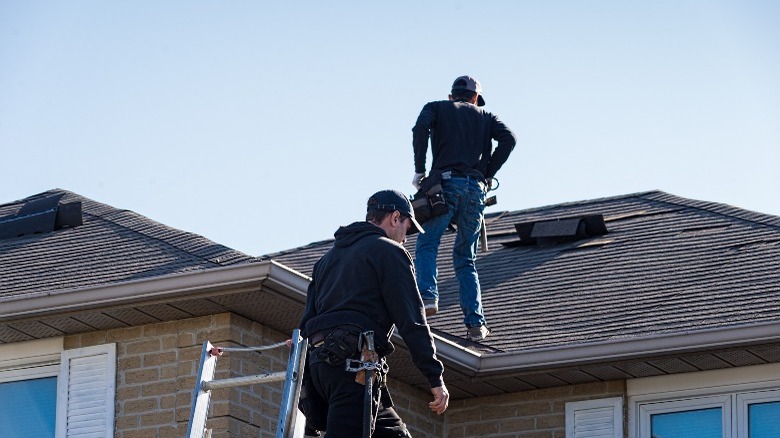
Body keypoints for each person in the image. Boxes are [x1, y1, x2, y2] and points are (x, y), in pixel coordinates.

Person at [298, 189, 449, 438]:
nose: (406, 239)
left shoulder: (326, 260)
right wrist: (435, 377)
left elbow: (306, 324)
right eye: (407, 229)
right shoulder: (389, 252)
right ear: (395, 217)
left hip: (321, 370)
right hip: (352, 369)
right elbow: (412, 321)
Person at [412, 75, 517, 342]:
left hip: (446, 186)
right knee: (465, 258)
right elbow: (509, 139)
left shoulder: (436, 107)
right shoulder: (486, 116)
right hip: (475, 191)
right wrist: (486, 172)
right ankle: (476, 324)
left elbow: (420, 128)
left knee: (427, 243)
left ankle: (427, 297)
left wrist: (420, 170)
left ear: (451, 96)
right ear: (474, 98)